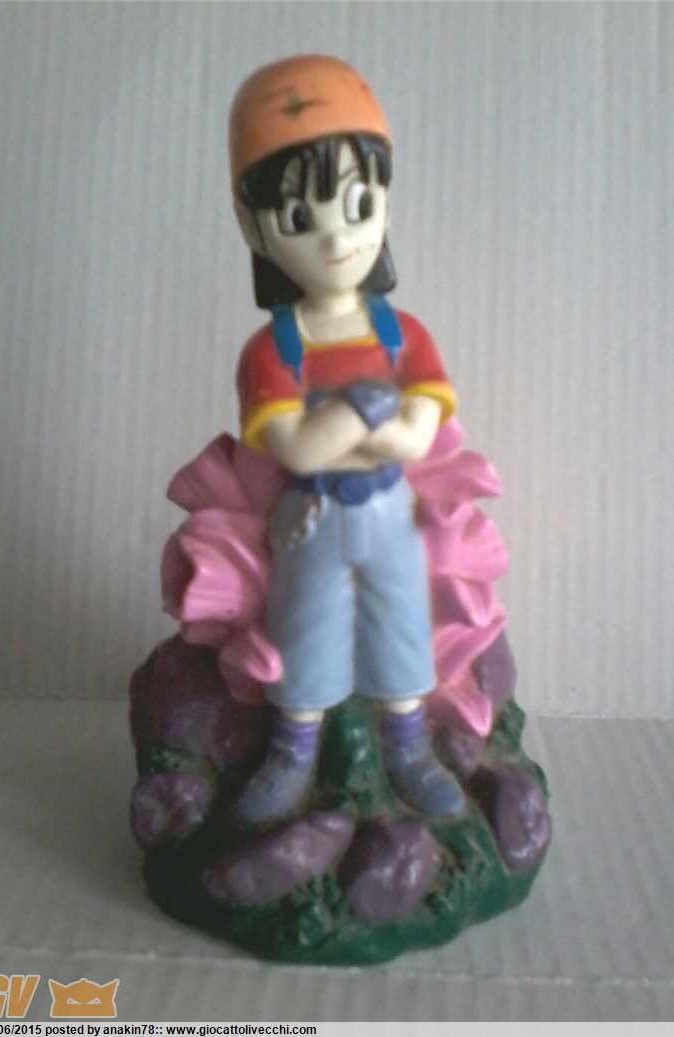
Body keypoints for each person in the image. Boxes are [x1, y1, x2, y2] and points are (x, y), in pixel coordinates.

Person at [230, 55, 465, 825]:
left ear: (385, 203)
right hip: (313, 516)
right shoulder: (273, 349)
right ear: (254, 227)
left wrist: (352, 425)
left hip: (389, 512)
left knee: (401, 624)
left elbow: (416, 440)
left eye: (358, 204)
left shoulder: (406, 334)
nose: (336, 236)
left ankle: (409, 748)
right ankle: (291, 753)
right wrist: (367, 412)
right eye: (301, 218)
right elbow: (297, 451)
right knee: (307, 627)